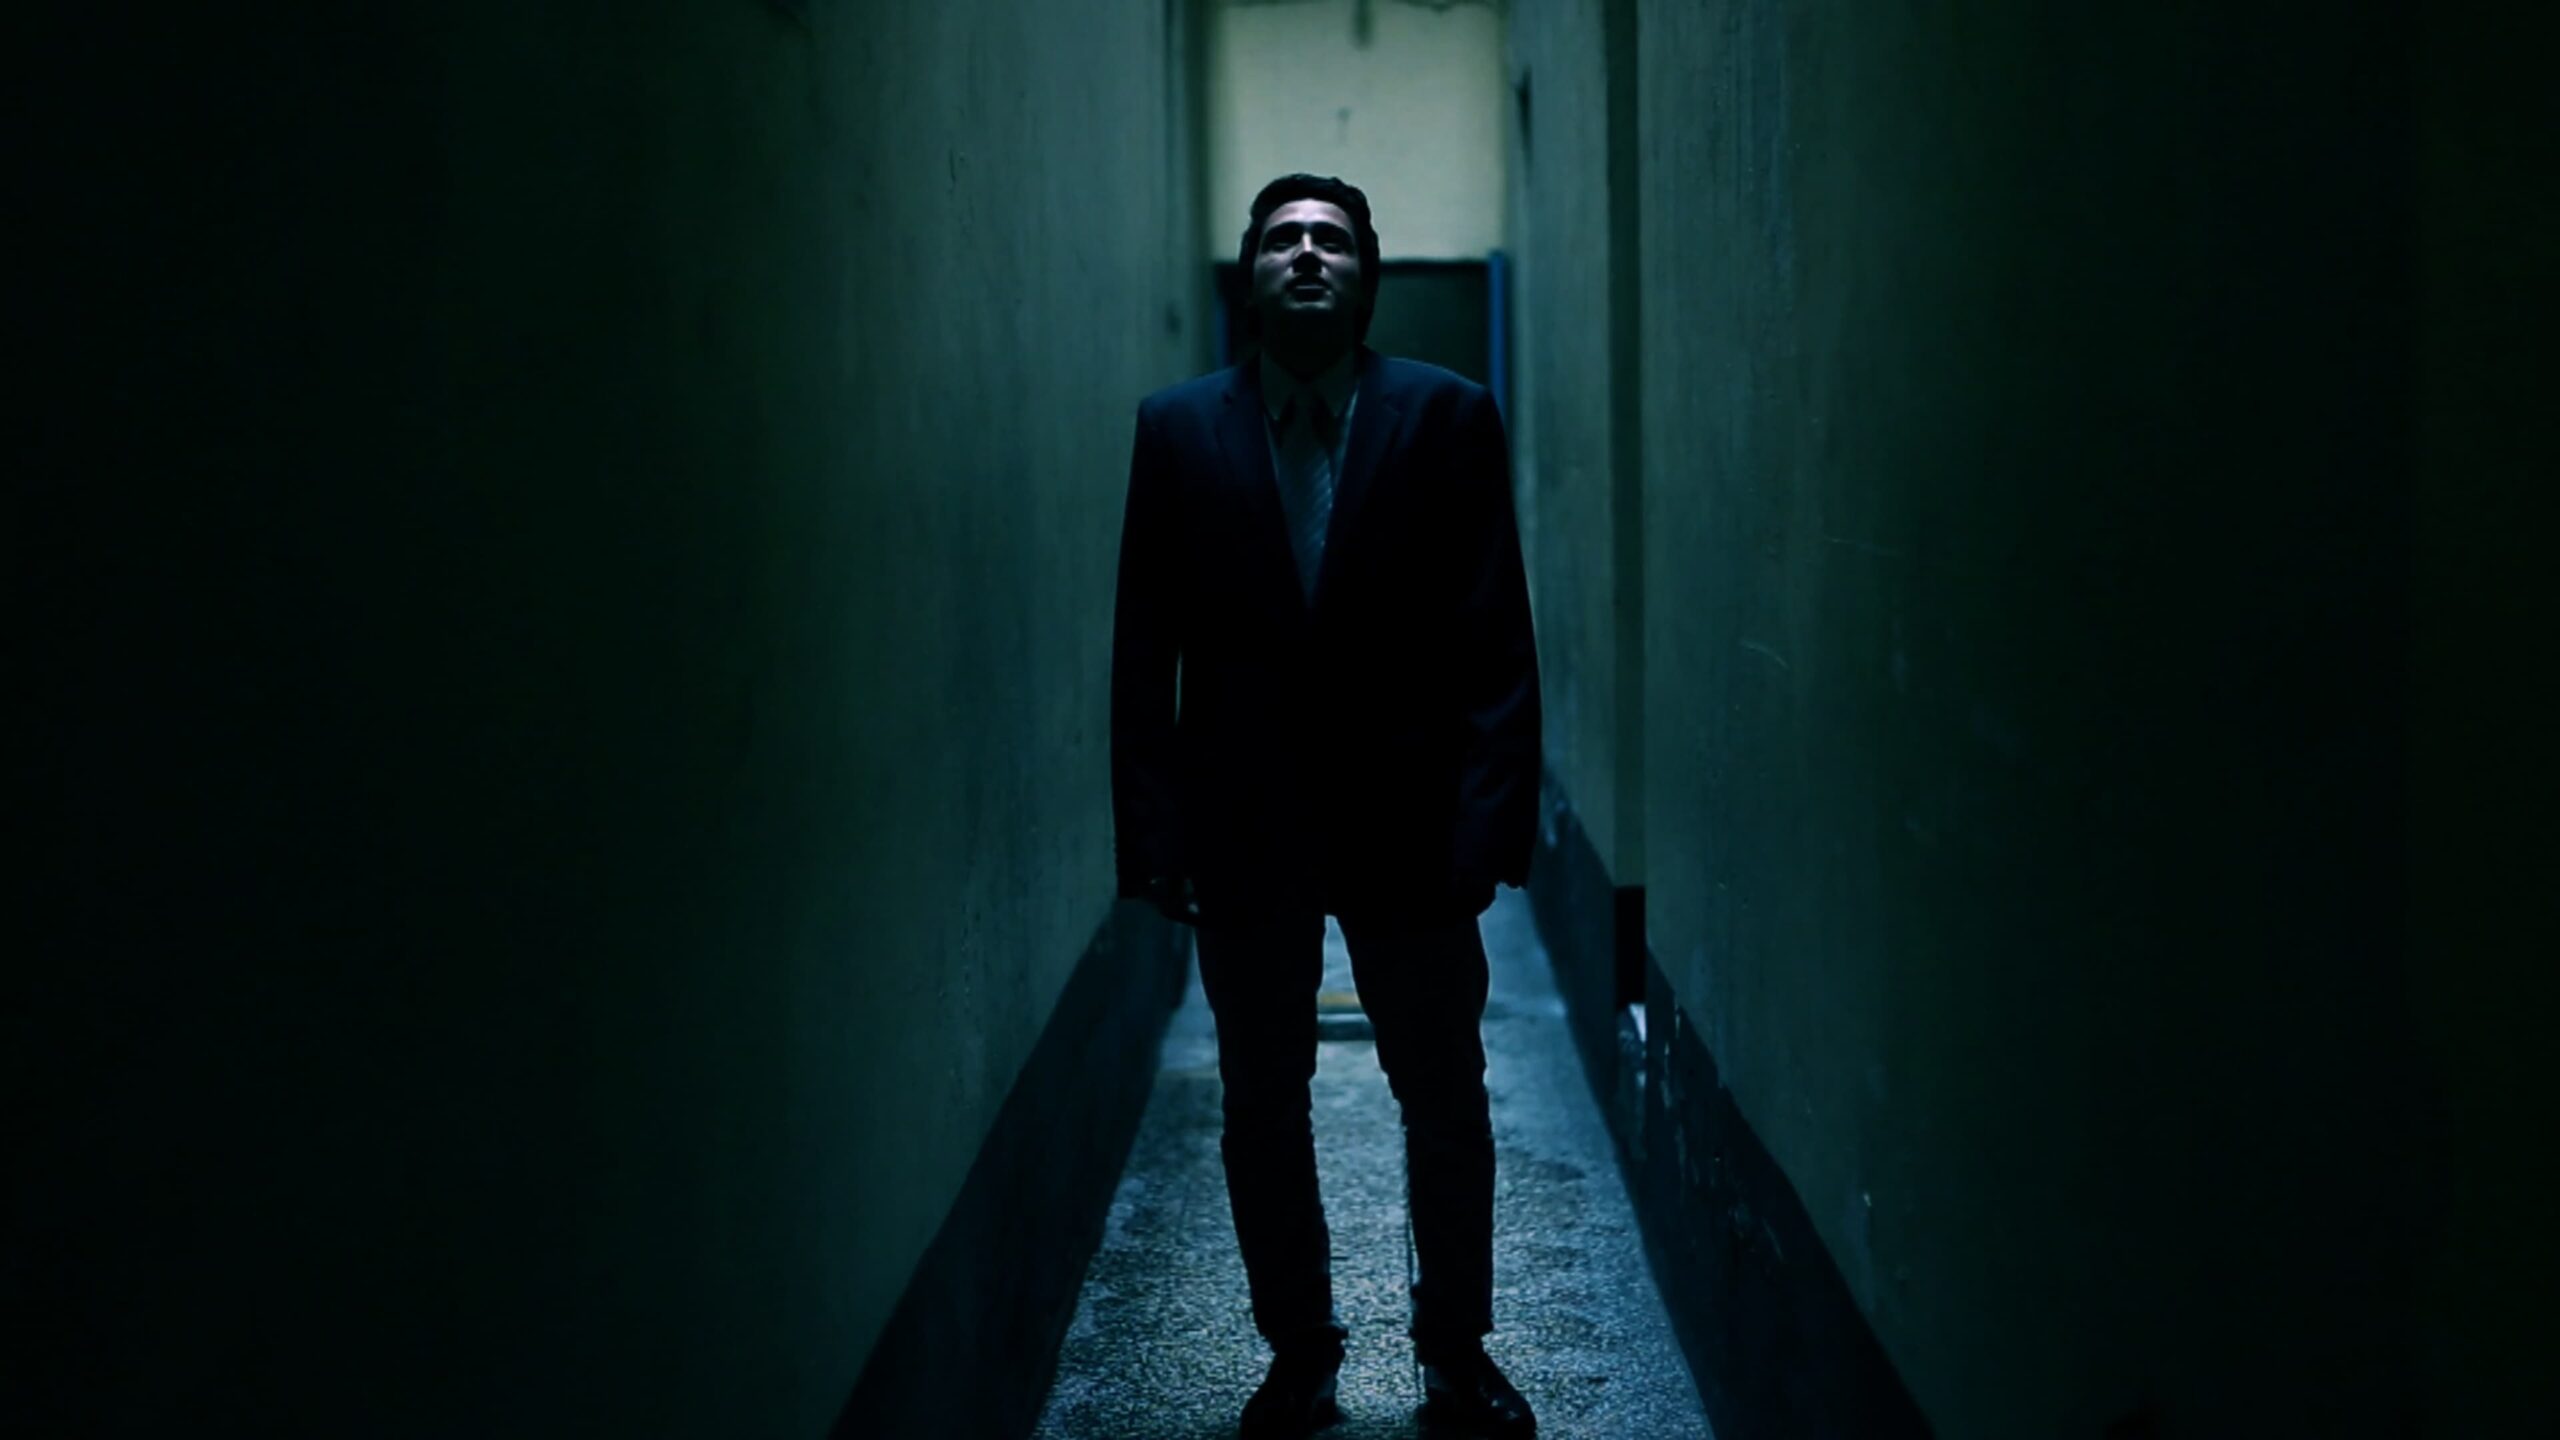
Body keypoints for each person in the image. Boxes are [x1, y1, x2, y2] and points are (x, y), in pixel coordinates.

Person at [1109, 173, 1542, 1439]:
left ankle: (1455, 1351)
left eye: (1332, 240)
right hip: (1244, 828)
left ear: (1367, 276)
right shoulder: (1176, 429)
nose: (1307, 255)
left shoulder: (1446, 416)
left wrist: (1489, 826)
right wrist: (1153, 834)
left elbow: (1495, 635)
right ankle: (1299, 1354)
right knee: (1262, 1102)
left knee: (1443, 1097)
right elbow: (1143, 647)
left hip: (1412, 827)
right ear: (1249, 275)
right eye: (1283, 239)